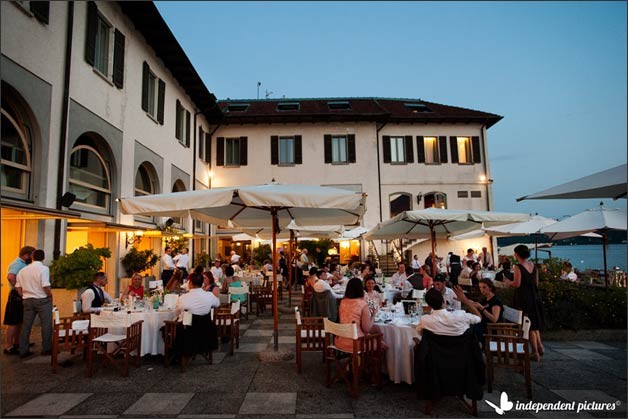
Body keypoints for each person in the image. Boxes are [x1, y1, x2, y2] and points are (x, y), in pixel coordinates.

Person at [503, 244, 545, 361]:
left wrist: (507, 281)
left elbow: (517, 284)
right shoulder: (533, 265)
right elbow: (536, 283)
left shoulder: (518, 267)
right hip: (534, 296)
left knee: (529, 325)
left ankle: (535, 353)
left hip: (524, 297)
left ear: (517, 254)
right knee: (534, 323)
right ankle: (540, 347)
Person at [15, 249, 53, 357]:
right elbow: (45, 284)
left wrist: (23, 296)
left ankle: (23, 349)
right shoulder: (44, 269)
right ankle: (46, 348)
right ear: (43, 257)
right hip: (41, 299)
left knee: (26, 326)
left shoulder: (23, 270)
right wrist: (49, 295)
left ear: (32, 257)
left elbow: (18, 287)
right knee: (46, 325)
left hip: (27, 299)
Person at [334, 278, 382, 352]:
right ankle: (370, 362)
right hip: (357, 343)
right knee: (382, 342)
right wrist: (373, 315)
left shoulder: (342, 302)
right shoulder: (362, 304)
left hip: (340, 341)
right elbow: (366, 328)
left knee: (376, 334)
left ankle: (356, 362)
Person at [3, 245, 35, 355]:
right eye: (31, 255)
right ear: (26, 255)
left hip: (20, 295)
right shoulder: (17, 264)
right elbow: (11, 277)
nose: (32, 258)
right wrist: (19, 289)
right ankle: (8, 346)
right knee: (13, 322)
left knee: (20, 321)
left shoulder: (24, 264)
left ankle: (17, 343)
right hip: (16, 296)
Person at [454, 279, 503, 346]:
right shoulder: (485, 299)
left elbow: (494, 319)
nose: (481, 289)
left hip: (491, 328)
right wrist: (464, 299)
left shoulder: (496, 301)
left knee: (470, 329)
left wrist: (482, 308)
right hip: (483, 324)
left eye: (484, 287)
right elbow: (475, 304)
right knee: (466, 325)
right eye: (480, 287)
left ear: (490, 287)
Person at [416, 288, 480, 337]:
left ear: (429, 306)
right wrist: (465, 301)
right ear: (444, 301)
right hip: (459, 352)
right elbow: (479, 318)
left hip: (436, 353)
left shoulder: (425, 321)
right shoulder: (461, 315)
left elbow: (419, 333)